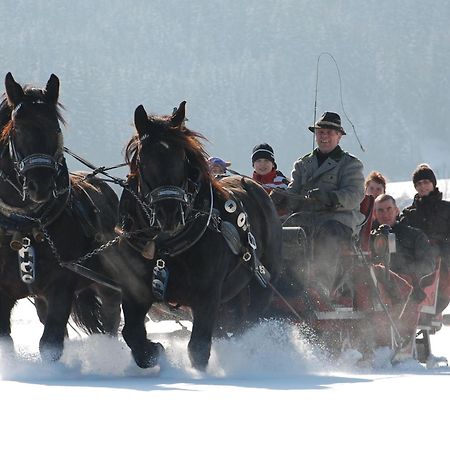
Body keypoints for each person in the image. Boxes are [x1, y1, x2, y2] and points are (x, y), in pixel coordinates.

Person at [273, 111, 365, 298]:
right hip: (306, 219)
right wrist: (280, 197)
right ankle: (285, 283)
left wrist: (330, 198)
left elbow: (355, 195)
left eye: (329, 132)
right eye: (320, 132)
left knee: (327, 232)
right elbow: (294, 193)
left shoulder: (350, 164)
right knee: (279, 230)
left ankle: (321, 286)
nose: (324, 137)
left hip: (339, 220)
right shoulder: (303, 164)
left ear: (339, 136)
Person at [401, 164, 450, 312]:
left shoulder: (447, 208)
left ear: (433, 183)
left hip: (444, 258)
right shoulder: (409, 213)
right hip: (419, 258)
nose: (423, 186)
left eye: (426, 182)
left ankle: (436, 312)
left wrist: (442, 249)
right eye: (419, 184)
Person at [373, 194, 435, 300]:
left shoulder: (415, 236)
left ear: (397, 210)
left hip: (409, 291)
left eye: (389, 209)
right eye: (380, 210)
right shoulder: (370, 238)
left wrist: (402, 272)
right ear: (375, 214)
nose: (385, 214)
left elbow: (428, 265)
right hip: (376, 290)